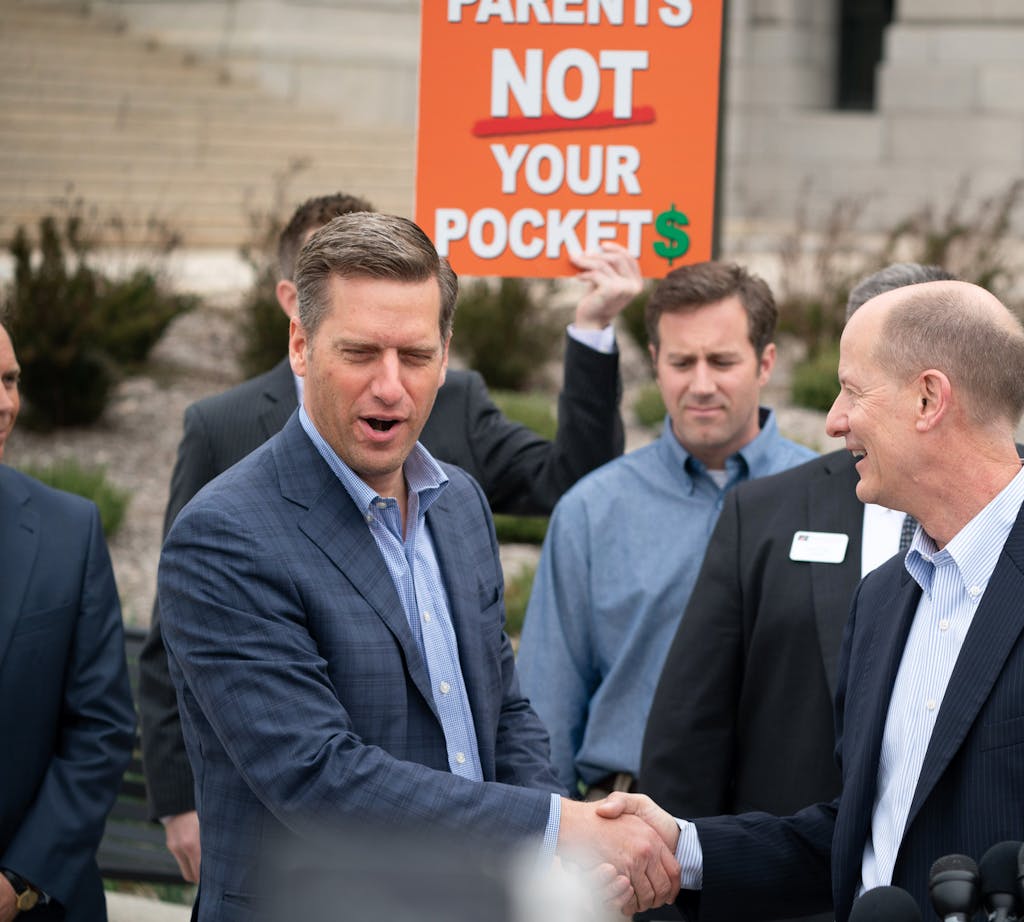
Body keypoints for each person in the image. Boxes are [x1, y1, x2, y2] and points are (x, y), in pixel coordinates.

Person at [604, 279, 1024, 921]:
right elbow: (863, 842)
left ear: (929, 399)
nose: (834, 420)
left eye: (853, 390)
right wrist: (686, 847)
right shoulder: (883, 597)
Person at [156, 213, 675, 921]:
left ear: (446, 351)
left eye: (415, 354)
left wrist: (559, 838)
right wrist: (557, 828)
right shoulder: (226, 536)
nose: (391, 386)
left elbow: (504, 709)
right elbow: (321, 781)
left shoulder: (458, 502)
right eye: (361, 352)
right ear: (301, 346)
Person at [516, 261, 817, 799]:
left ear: (765, 362)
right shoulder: (592, 511)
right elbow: (547, 709)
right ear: (655, 363)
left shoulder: (829, 498)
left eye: (722, 361)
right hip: (627, 833)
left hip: (787, 833)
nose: (701, 385)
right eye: (682, 362)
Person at [0, 319, 135, 921]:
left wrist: (16, 882)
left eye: (10, 381)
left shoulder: (68, 532)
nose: (6, 404)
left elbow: (102, 726)